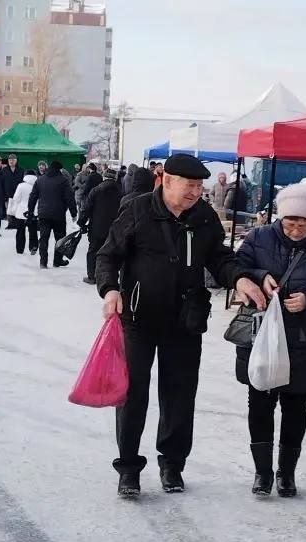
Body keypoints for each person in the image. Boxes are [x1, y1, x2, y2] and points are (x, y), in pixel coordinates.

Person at [95, 153, 267, 498]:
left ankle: (172, 464)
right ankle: (128, 468)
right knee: (133, 396)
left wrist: (241, 280)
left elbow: (219, 257)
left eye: (200, 186)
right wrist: (110, 288)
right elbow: (108, 255)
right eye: (189, 185)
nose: (195, 192)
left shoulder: (203, 216)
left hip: (185, 321)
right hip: (138, 320)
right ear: (167, 181)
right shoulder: (138, 210)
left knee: (179, 396)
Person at [235, 185, 306, 497]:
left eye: (303, 224)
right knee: (259, 402)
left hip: (305, 337)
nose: (296, 229)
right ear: (280, 218)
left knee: (296, 406)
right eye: (289, 223)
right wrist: (259, 276)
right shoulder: (259, 238)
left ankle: (286, 473)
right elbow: (237, 267)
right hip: (262, 335)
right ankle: (262, 473)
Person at [27, 160, 77, 269]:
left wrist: (30, 211)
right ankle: (57, 261)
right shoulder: (63, 181)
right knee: (59, 238)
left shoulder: (40, 180)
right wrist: (74, 213)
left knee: (44, 238)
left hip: (43, 214)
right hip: (58, 214)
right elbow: (70, 197)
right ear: (59, 169)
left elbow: (33, 196)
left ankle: (43, 262)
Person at [78, 168, 121, 284]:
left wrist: (81, 222)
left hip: (97, 227)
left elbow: (86, 209)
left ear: (104, 177)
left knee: (93, 251)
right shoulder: (120, 191)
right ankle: (111, 278)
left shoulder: (96, 190)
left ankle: (92, 276)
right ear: (115, 178)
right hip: (114, 228)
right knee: (112, 253)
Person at [9, 170, 39, 255]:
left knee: (20, 231)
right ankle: (33, 246)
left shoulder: (21, 185)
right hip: (33, 211)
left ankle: (20, 249)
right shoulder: (38, 185)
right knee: (33, 231)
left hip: (21, 212)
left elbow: (16, 198)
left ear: (25, 176)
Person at [2, 154, 24, 229]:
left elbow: (23, 182)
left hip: (17, 193)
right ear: (8, 161)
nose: (11, 161)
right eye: (10, 160)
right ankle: (10, 224)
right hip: (7, 193)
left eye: (13, 160)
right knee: (8, 209)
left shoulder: (21, 170)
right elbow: (2, 182)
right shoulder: (4, 170)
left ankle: (17, 224)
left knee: (17, 209)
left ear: (16, 161)